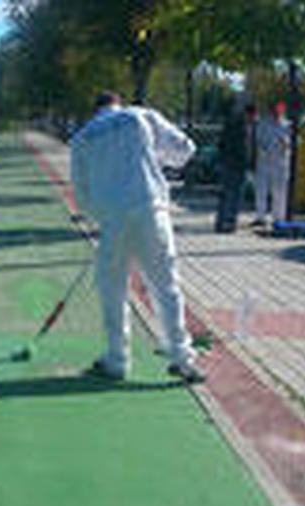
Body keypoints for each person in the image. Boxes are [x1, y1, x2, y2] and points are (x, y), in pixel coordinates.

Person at [69, 92, 206, 384]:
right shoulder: (140, 116)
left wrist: (103, 218)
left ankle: (117, 359)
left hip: (113, 220)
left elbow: (81, 195)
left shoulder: (82, 138)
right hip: (151, 209)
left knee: (112, 289)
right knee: (165, 286)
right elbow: (184, 150)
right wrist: (151, 158)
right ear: (117, 104)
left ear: (95, 112)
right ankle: (182, 359)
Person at [214, 103, 257, 233]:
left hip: (227, 163)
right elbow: (242, 147)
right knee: (235, 194)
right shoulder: (241, 127)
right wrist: (247, 161)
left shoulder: (231, 123)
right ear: (250, 114)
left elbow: (221, 143)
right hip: (237, 164)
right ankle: (229, 222)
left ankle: (222, 222)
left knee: (225, 194)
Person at [254, 101, 291, 226]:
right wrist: (265, 149)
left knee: (279, 191)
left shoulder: (287, 125)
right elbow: (259, 141)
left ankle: (279, 218)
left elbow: (294, 142)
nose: (276, 114)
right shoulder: (264, 124)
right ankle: (260, 217)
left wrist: (286, 144)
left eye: (279, 111)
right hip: (265, 161)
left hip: (281, 162)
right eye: (274, 111)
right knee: (261, 189)